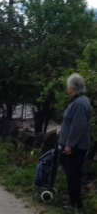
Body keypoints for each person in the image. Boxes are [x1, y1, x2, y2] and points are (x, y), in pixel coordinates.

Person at [58, 73, 92, 211]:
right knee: (72, 173)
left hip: (75, 147)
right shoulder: (79, 101)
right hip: (74, 145)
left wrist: (69, 145)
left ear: (72, 87)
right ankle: (74, 200)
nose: (67, 88)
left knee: (73, 174)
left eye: (68, 85)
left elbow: (78, 126)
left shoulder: (79, 103)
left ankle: (76, 204)